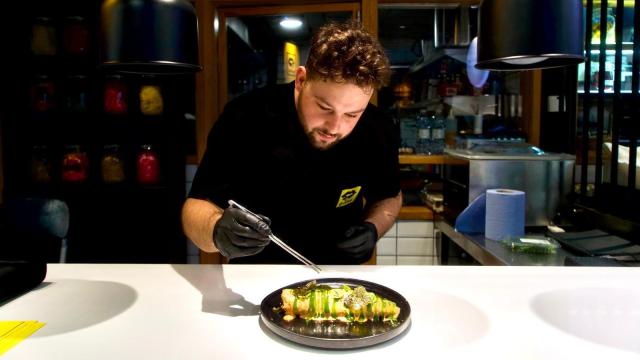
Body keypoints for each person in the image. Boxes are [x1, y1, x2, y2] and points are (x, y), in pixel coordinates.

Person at [182, 21, 402, 265]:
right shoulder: (245, 116)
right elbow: (195, 207)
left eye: (352, 114)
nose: (335, 127)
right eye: (324, 107)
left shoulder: (377, 128)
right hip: (255, 276)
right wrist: (216, 230)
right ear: (300, 80)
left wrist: (373, 228)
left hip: (336, 279)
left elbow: (389, 196)